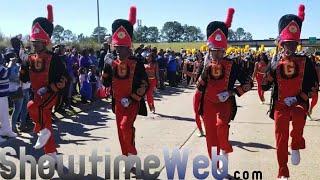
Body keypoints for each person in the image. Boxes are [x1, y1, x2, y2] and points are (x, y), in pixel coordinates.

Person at [261, 5, 318, 179]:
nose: (290, 47)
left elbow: (314, 85)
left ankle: (296, 144)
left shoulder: (305, 60)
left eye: (293, 44)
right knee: (280, 138)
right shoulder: (275, 61)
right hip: (280, 104)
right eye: (287, 44)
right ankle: (282, 172)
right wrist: (269, 71)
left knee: (300, 119)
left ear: (297, 44)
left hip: (299, 102)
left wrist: (298, 98)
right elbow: (264, 86)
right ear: (281, 44)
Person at [197, 8, 253, 171]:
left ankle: (225, 160)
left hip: (225, 104)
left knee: (222, 128)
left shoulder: (232, 64)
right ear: (210, 50)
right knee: (211, 137)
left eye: (220, 51)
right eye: (215, 51)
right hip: (207, 103)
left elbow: (248, 83)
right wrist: (205, 72)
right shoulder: (204, 64)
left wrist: (231, 92)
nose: (218, 54)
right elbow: (198, 87)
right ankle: (216, 166)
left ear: (224, 49)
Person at [19, 4, 68, 167]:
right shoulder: (31, 57)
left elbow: (64, 77)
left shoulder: (53, 58)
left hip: (51, 93)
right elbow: (25, 75)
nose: (35, 44)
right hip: (37, 94)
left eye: (38, 42)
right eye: (34, 41)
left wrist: (49, 88)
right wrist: (22, 68)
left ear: (45, 42)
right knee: (45, 121)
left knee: (32, 106)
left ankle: (42, 130)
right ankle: (52, 155)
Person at [101, 6, 149, 173]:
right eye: (117, 47)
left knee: (124, 127)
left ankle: (132, 155)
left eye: (122, 47)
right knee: (121, 133)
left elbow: (144, 84)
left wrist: (132, 98)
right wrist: (105, 68)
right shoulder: (111, 61)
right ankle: (128, 158)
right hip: (117, 103)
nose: (119, 50)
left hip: (132, 102)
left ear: (128, 47)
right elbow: (106, 83)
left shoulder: (137, 62)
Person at [0, 53, 18, 141]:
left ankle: (4, 130)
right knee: (4, 115)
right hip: (1, 96)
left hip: (2, 95)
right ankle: (6, 131)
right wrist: (11, 63)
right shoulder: (1, 68)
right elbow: (6, 74)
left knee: (3, 114)